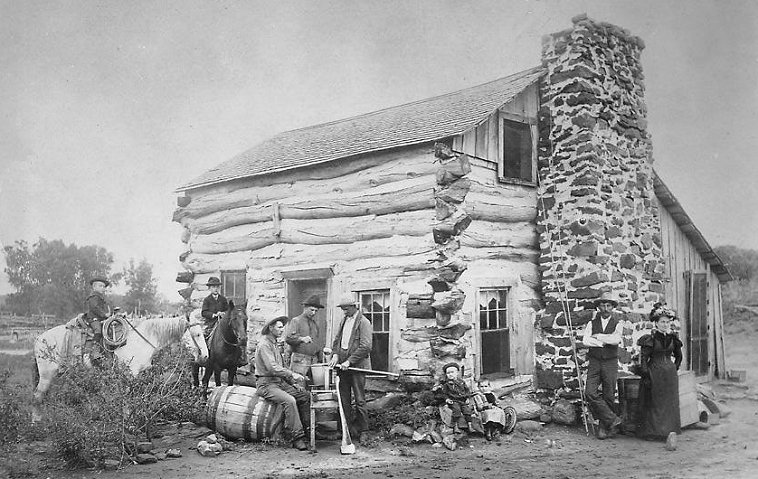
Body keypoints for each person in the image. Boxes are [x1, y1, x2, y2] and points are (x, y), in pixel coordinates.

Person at [254, 315, 311, 451]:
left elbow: (282, 367)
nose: (282, 330)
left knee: (304, 396)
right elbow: (272, 368)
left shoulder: (274, 344)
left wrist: (293, 383)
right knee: (289, 400)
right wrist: (292, 374)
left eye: (282, 327)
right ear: (271, 328)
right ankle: (296, 437)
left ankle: (308, 430)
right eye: (279, 327)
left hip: (279, 382)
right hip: (266, 385)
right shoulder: (264, 345)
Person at [636, 303, 682, 444]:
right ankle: (654, 432)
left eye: (668, 322)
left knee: (669, 402)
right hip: (654, 373)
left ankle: (668, 430)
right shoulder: (649, 339)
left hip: (669, 375)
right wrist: (646, 374)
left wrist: (673, 368)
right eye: (662, 322)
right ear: (656, 323)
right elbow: (643, 359)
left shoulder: (673, 338)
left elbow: (679, 356)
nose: (665, 324)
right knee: (655, 402)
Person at [329, 293, 372, 443]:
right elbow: (337, 341)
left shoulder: (364, 322)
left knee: (360, 400)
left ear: (354, 307)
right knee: (344, 400)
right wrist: (335, 355)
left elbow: (366, 347)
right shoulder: (344, 321)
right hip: (342, 367)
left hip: (357, 367)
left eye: (346, 309)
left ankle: (364, 431)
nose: (344, 311)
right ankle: (345, 430)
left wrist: (350, 361)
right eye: (342, 309)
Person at [581, 291, 624, 439]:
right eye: (602, 306)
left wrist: (598, 338)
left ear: (612, 308)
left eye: (608, 306)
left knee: (609, 395)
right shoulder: (591, 323)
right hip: (595, 361)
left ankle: (604, 428)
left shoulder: (618, 323)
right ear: (598, 307)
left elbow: (616, 340)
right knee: (589, 392)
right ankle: (612, 419)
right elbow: (586, 341)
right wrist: (605, 340)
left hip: (610, 362)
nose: (605, 309)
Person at [285, 295, 327, 380]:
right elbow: (288, 338)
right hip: (300, 361)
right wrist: (301, 339)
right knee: (299, 385)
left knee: (311, 386)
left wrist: (320, 359)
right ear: (305, 308)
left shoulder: (314, 324)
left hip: (313, 361)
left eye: (316, 311)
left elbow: (317, 343)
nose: (314, 313)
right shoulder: (296, 321)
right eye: (311, 310)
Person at [432, 362, 474, 434]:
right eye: (448, 373)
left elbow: (467, 390)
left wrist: (467, 398)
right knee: (456, 411)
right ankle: (455, 426)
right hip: (454, 400)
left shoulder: (461, 382)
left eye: (452, 372)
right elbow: (444, 394)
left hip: (462, 400)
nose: (450, 374)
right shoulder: (446, 384)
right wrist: (447, 399)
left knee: (467, 411)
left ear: (457, 373)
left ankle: (470, 426)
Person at [82, 277, 112, 366]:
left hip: (100, 319)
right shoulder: (94, 297)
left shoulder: (102, 298)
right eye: (100, 286)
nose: (103, 288)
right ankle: (95, 350)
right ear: (94, 287)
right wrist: (104, 314)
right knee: (98, 330)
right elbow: (95, 308)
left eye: (104, 286)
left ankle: (107, 352)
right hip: (93, 318)